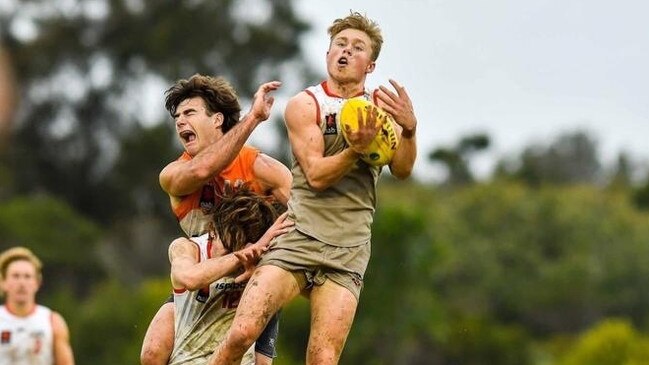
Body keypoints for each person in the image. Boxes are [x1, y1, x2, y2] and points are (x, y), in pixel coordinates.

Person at [208, 11, 418, 365]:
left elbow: (402, 169)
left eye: (357, 47)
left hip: (348, 249)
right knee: (242, 333)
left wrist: (410, 130)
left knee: (323, 358)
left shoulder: (379, 111)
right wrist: (356, 148)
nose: (346, 52)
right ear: (327, 54)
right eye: (339, 44)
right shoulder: (306, 104)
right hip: (299, 236)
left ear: (370, 65)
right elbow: (317, 176)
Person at [140, 74, 292, 365]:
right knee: (152, 354)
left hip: (251, 282)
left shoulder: (261, 167)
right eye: (177, 116)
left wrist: (271, 254)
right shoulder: (174, 174)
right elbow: (202, 172)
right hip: (205, 278)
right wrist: (255, 118)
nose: (180, 121)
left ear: (217, 119)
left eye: (189, 113)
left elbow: (302, 214)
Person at [168, 187, 293, 365]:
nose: (239, 253)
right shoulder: (186, 248)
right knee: (151, 353)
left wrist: (259, 272)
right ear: (213, 230)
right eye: (229, 247)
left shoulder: (261, 256)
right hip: (188, 360)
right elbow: (190, 278)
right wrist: (240, 257)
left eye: (242, 247)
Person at [0, 247, 75, 365]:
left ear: (37, 283)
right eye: (15, 276)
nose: (21, 283)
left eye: (27, 276)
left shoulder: (52, 322)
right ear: (3, 282)